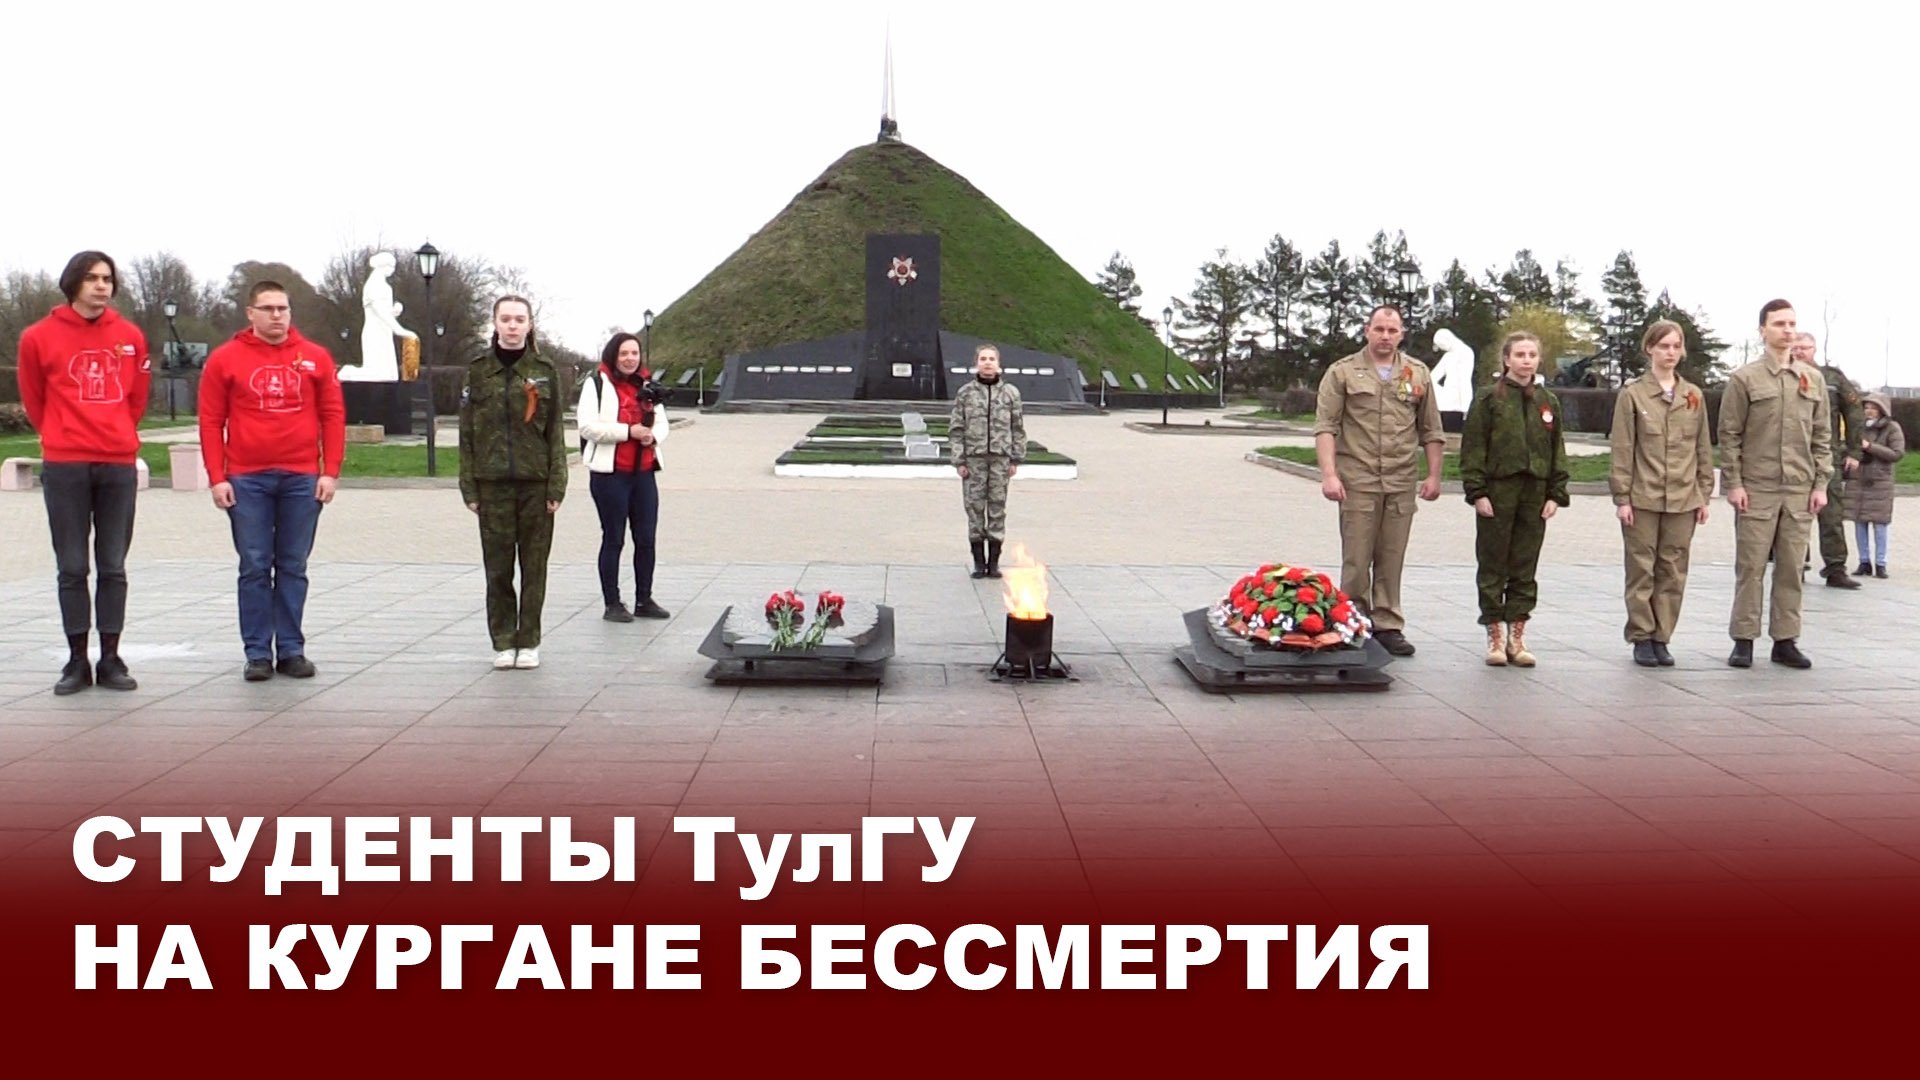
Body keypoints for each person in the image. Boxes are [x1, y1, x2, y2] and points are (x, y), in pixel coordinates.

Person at [15, 251, 150, 695]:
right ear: (74, 283)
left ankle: (111, 658)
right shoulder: (38, 337)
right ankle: (77, 660)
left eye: (107, 278)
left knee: (113, 565)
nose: (101, 286)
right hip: (66, 463)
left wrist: (117, 432)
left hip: (117, 463)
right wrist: (59, 434)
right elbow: (34, 398)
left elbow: (136, 397)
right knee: (72, 566)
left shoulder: (130, 336)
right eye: (92, 278)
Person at [198, 281, 346, 681]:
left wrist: (330, 470)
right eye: (268, 308)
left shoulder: (314, 357)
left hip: (301, 477)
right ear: (251, 313)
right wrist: (217, 477)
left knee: (293, 565)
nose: (277, 315)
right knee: (255, 565)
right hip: (247, 479)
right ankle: (258, 653)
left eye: (283, 308)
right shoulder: (225, 359)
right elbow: (211, 421)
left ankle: (292, 650)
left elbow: (333, 415)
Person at [1312, 305, 1444, 656]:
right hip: (1358, 479)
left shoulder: (1417, 373)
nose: (1386, 336)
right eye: (1379, 329)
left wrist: (1434, 475)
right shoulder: (1342, 372)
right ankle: (1353, 622)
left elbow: (1431, 429)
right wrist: (1329, 475)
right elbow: (1326, 426)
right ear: (1367, 330)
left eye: (1392, 330)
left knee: (1391, 556)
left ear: (1401, 334)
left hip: (1400, 480)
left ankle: (1387, 624)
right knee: (1356, 558)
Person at [1718, 299, 1830, 670]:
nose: (1788, 330)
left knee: (1792, 568)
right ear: (1762, 330)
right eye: (1780, 323)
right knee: (1750, 566)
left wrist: (1821, 484)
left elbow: (1822, 436)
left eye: (1792, 324)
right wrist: (1734, 483)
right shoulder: (1745, 379)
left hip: (1799, 489)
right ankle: (1743, 639)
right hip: (1758, 488)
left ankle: (1785, 640)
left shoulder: (1812, 380)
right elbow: (1729, 435)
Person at [458, 295, 567, 670]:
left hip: (535, 483)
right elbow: (467, 434)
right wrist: (469, 487)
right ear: (495, 323)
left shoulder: (544, 370)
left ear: (530, 324)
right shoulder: (478, 371)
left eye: (519, 319)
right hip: (492, 484)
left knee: (534, 567)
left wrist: (557, 484)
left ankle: (529, 640)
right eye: (505, 318)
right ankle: (504, 641)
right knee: (498, 568)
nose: (512, 325)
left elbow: (555, 431)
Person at [1459, 331, 1568, 667]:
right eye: (1519, 355)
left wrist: (1556, 493)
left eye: (1532, 355)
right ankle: (1494, 634)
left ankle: (1517, 637)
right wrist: (1477, 492)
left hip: (1534, 492)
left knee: (1524, 564)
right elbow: (1473, 447)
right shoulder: (1488, 398)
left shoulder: (1547, 401)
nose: (1526, 361)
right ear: (1506, 359)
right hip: (1498, 491)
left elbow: (1557, 449)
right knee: (1493, 563)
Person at [1608, 320, 1714, 667]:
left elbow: (1702, 447)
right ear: (1649, 349)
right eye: (1664, 346)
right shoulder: (1633, 395)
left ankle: (1662, 636)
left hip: (1683, 498)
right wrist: (1622, 498)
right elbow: (1623, 449)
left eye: (1676, 346)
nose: (1670, 353)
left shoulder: (1693, 396)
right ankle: (1641, 635)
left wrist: (1704, 493)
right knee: (1641, 568)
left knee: (1673, 570)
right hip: (1644, 496)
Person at [578, 331, 670, 622]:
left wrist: (652, 436)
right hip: (611, 475)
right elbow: (587, 427)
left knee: (646, 538)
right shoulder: (597, 384)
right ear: (613, 356)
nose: (630, 359)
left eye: (634, 353)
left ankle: (644, 598)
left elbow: (662, 422)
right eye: (624, 354)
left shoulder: (646, 384)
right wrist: (628, 432)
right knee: (614, 538)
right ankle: (612, 603)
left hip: (643, 473)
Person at [1790, 332, 1865, 588]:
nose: (1799, 352)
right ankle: (1796, 564)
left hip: (1827, 456)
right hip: (1793, 456)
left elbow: (1854, 412)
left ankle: (1835, 568)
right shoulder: (1783, 375)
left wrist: (1854, 451)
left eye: (1804, 347)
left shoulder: (1832, 378)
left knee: (1832, 514)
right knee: (1794, 514)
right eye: (1795, 348)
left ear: (1814, 349)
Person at [949, 343, 1025, 579]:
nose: (988, 363)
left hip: (1000, 461)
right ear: (976, 363)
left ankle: (993, 563)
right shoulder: (965, 393)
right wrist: (959, 460)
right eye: (983, 359)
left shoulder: (1011, 393)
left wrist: (1015, 459)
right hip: (974, 461)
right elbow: (956, 429)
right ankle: (978, 563)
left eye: (992, 359)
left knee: (997, 509)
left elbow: (1018, 428)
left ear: (998, 363)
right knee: (974, 509)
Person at [1847, 393, 1903, 579]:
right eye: (1866, 407)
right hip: (1858, 480)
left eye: (1873, 407)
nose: (1869, 411)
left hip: (1880, 482)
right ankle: (1864, 562)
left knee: (1880, 524)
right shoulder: (1858, 427)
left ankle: (1881, 563)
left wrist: (1870, 447)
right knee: (1859, 522)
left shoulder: (1892, 428)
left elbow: (1896, 453)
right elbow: (1849, 447)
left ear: (1882, 410)